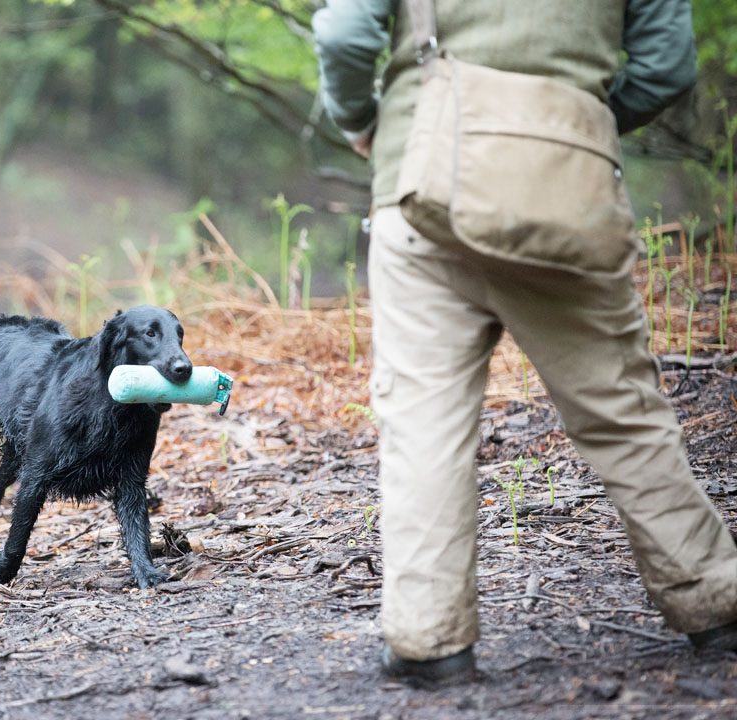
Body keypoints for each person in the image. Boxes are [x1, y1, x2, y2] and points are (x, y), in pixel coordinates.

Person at [312, 0, 737, 684]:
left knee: (422, 421)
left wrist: (362, 120)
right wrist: (566, 125)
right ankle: (716, 602)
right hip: (568, 193)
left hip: (420, 186)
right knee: (623, 412)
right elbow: (666, 65)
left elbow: (343, 31)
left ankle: (430, 641)